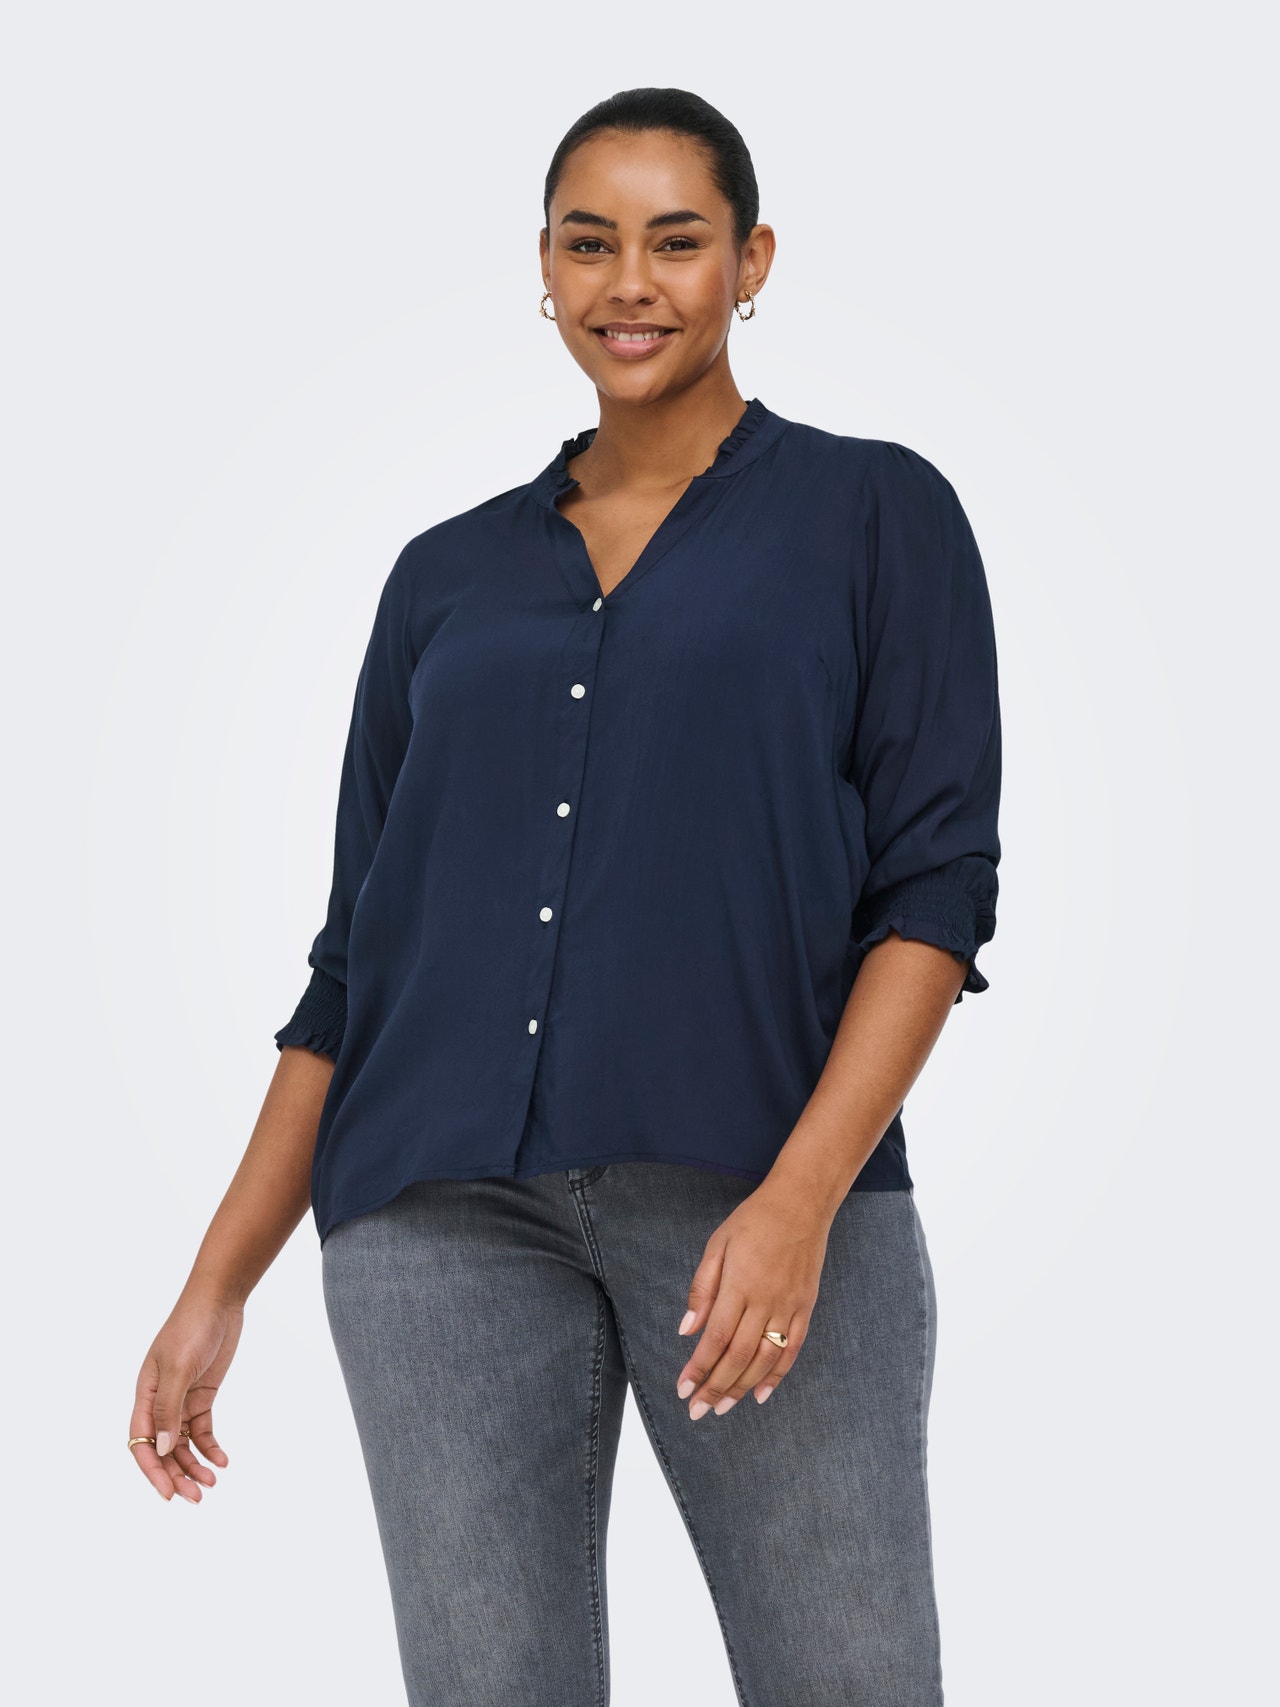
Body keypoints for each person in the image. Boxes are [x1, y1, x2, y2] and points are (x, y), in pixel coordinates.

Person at [129, 86, 1002, 1707]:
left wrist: (802, 1200)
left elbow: (936, 892)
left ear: (752, 261)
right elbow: (354, 966)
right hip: (436, 1213)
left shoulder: (875, 515)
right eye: (590, 243)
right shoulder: (442, 578)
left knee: (853, 1679)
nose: (631, 283)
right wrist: (215, 1283)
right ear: (543, 267)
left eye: (678, 241)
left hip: (753, 1193)